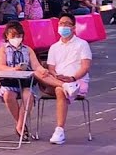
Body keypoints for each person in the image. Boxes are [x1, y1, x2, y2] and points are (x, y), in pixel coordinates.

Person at [35, 14, 93, 145]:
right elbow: (51, 68)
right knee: (39, 74)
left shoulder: (82, 44)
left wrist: (72, 78)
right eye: (61, 23)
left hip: (77, 81)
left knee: (59, 90)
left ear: (73, 27)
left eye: (67, 24)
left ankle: (59, 130)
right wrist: (56, 76)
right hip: (58, 80)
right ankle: (64, 85)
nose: (63, 26)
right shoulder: (54, 47)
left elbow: (85, 67)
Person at [0, 21, 47, 141]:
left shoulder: (28, 50)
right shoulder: (3, 50)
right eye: (13, 36)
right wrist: (14, 69)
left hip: (25, 82)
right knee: (8, 96)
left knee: (28, 96)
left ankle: (20, 125)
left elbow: (35, 65)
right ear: (7, 36)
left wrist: (42, 70)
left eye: (19, 36)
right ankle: (22, 125)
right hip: (9, 81)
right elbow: (1, 67)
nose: (16, 38)